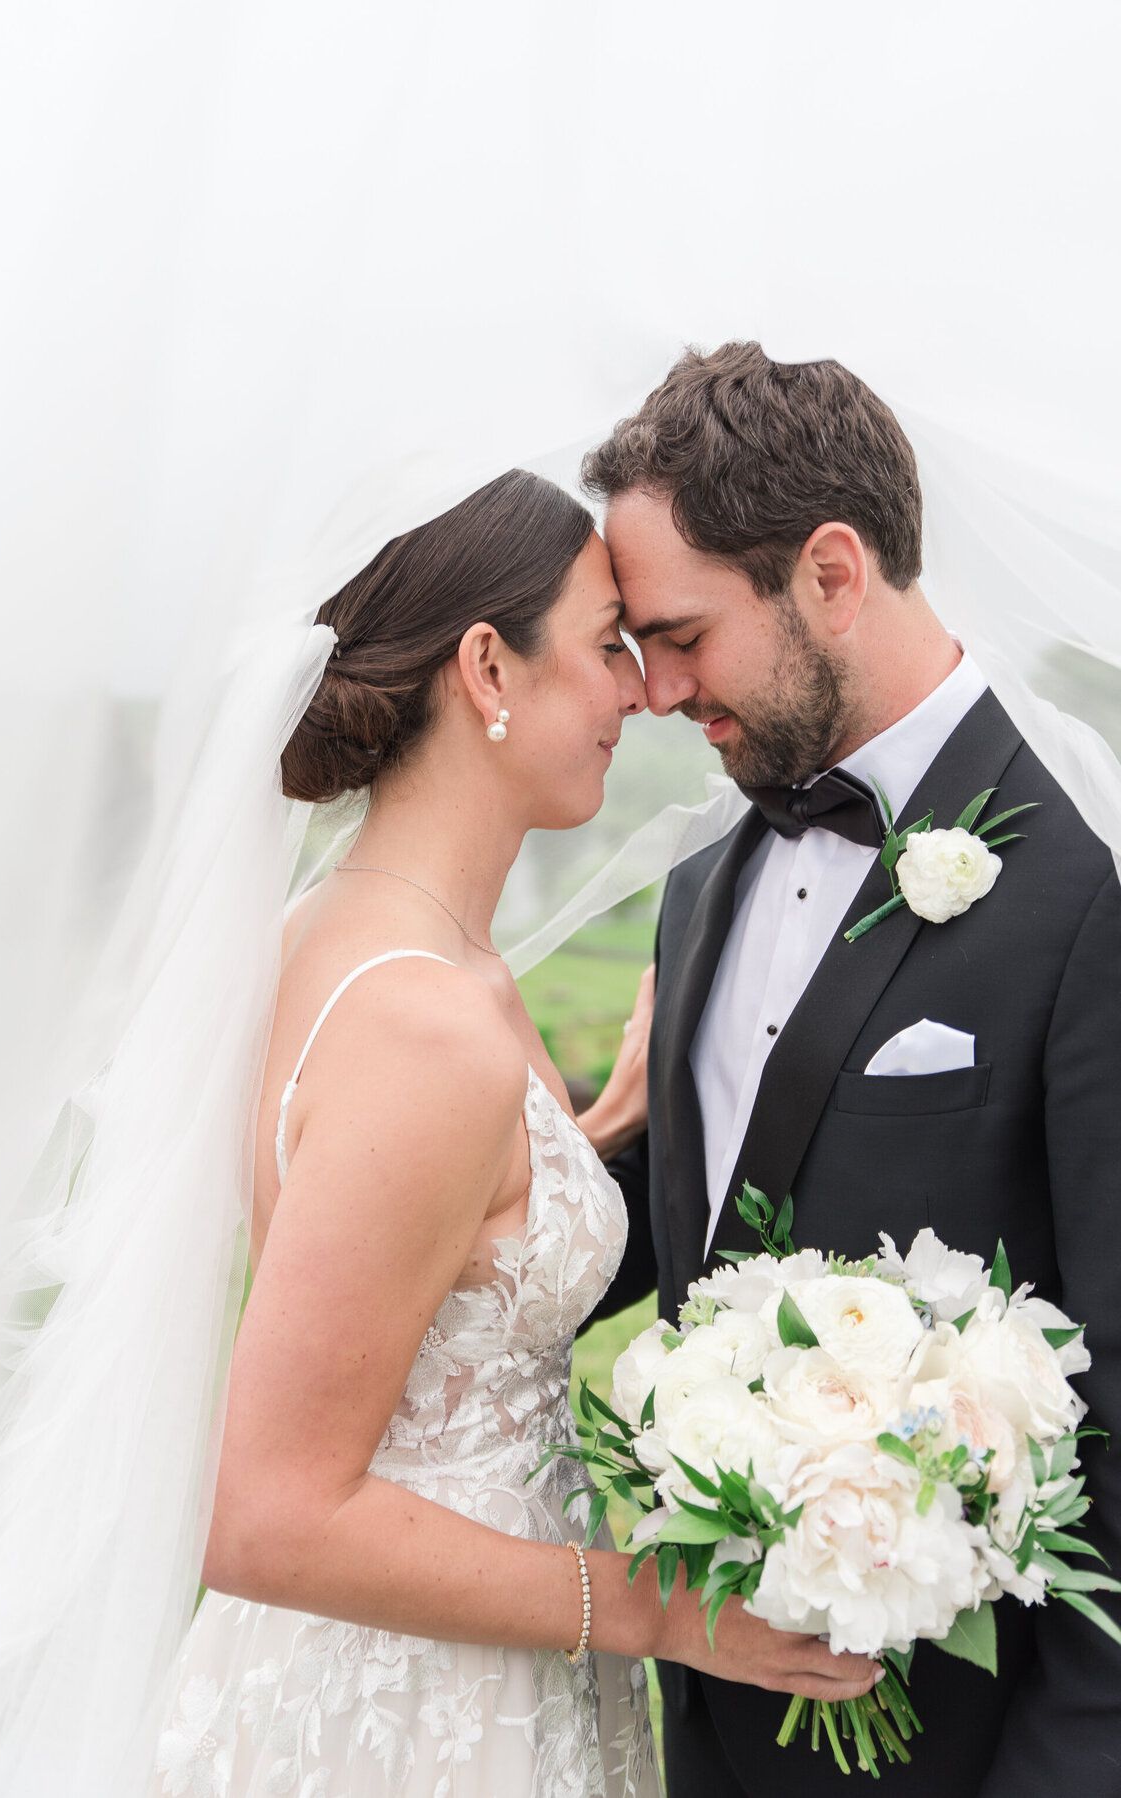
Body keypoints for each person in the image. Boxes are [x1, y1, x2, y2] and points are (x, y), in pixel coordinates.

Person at [149, 467, 879, 1798]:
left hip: (464, 1656)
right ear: (488, 664)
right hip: (413, 1709)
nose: (640, 691)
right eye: (608, 644)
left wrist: (586, 1142)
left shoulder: (355, 937)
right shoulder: (426, 1028)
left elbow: (432, 1248)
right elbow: (265, 1515)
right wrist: (657, 1609)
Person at [587, 343, 1121, 1798]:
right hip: (704, 1727)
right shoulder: (703, 886)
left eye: (682, 632)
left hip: (962, 1748)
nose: (657, 690)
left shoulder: (1085, 891)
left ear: (831, 568)